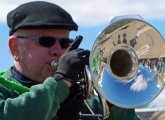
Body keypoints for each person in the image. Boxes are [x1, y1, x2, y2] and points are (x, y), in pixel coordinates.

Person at [0, 1, 140, 120]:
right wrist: (62, 81)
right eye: (46, 41)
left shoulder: (87, 103)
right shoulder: (4, 90)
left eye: (64, 43)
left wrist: (113, 99)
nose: (57, 51)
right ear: (15, 47)